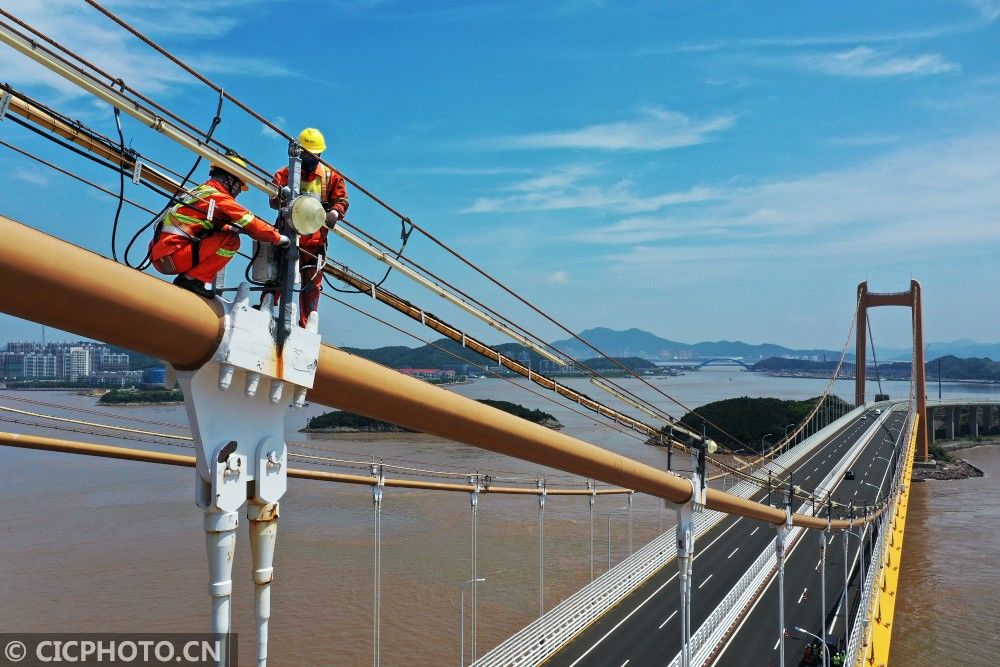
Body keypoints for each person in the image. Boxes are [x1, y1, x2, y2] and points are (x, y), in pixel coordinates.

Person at [151, 153, 288, 298]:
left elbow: (197, 226)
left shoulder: (199, 191)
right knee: (231, 240)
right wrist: (278, 238)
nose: (239, 191)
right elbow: (252, 223)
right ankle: (191, 279)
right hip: (175, 257)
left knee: (226, 233)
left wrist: (229, 227)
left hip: (159, 256)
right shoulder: (219, 197)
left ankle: (194, 279)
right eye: (239, 185)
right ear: (229, 179)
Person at [269, 127, 349, 326]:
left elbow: (342, 200)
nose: (312, 157)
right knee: (276, 275)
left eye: (315, 154)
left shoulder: (331, 176)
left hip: (314, 238)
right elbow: (272, 199)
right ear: (298, 151)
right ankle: (267, 308)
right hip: (286, 232)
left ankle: (307, 322)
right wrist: (281, 199)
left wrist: (334, 213)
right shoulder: (285, 172)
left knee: (311, 282)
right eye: (307, 153)